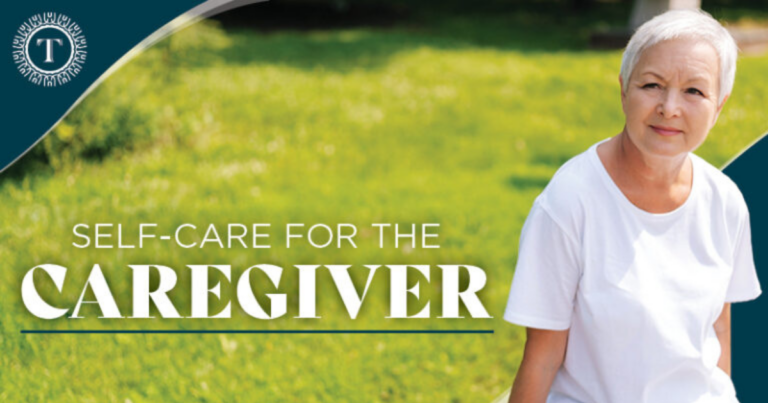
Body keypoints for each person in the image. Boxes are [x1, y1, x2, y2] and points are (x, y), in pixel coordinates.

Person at [503, 9, 761, 403]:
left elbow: (718, 329)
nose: (669, 107)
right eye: (653, 85)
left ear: (719, 106)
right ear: (624, 88)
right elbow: (542, 356)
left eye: (694, 91)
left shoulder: (724, 201)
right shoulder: (569, 202)